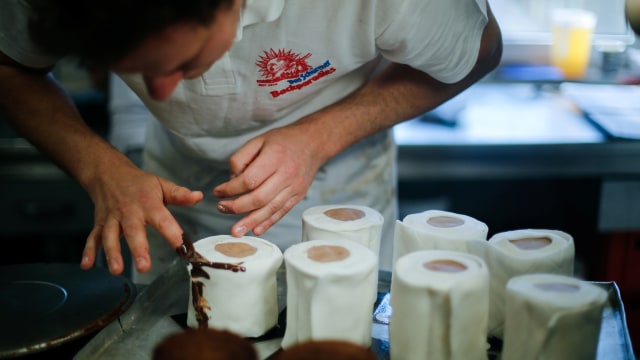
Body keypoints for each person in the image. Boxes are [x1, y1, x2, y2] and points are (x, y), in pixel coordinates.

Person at [0, 0, 502, 282]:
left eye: (181, 63)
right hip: (175, 194)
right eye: (135, 71)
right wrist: (100, 168)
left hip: (339, 196)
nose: (160, 92)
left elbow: (479, 50)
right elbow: (10, 64)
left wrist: (321, 134)